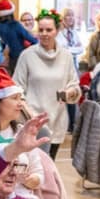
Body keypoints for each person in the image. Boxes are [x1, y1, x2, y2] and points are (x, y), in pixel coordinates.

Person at [13, 11, 81, 158]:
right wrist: (29, 114)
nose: (44, 33)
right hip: (32, 120)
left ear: (57, 31)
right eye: (41, 29)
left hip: (57, 119)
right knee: (33, 169)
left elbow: (74, 84)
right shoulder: (27, 55)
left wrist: (70, 92)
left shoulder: (66, 56)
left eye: (49, 30)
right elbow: (16, 88)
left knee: (49, 166)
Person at [0, 0, 37, 73]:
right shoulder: (16, 25)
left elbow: (0, 45)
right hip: (19, 57)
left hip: (5, 61)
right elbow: (32, 40)